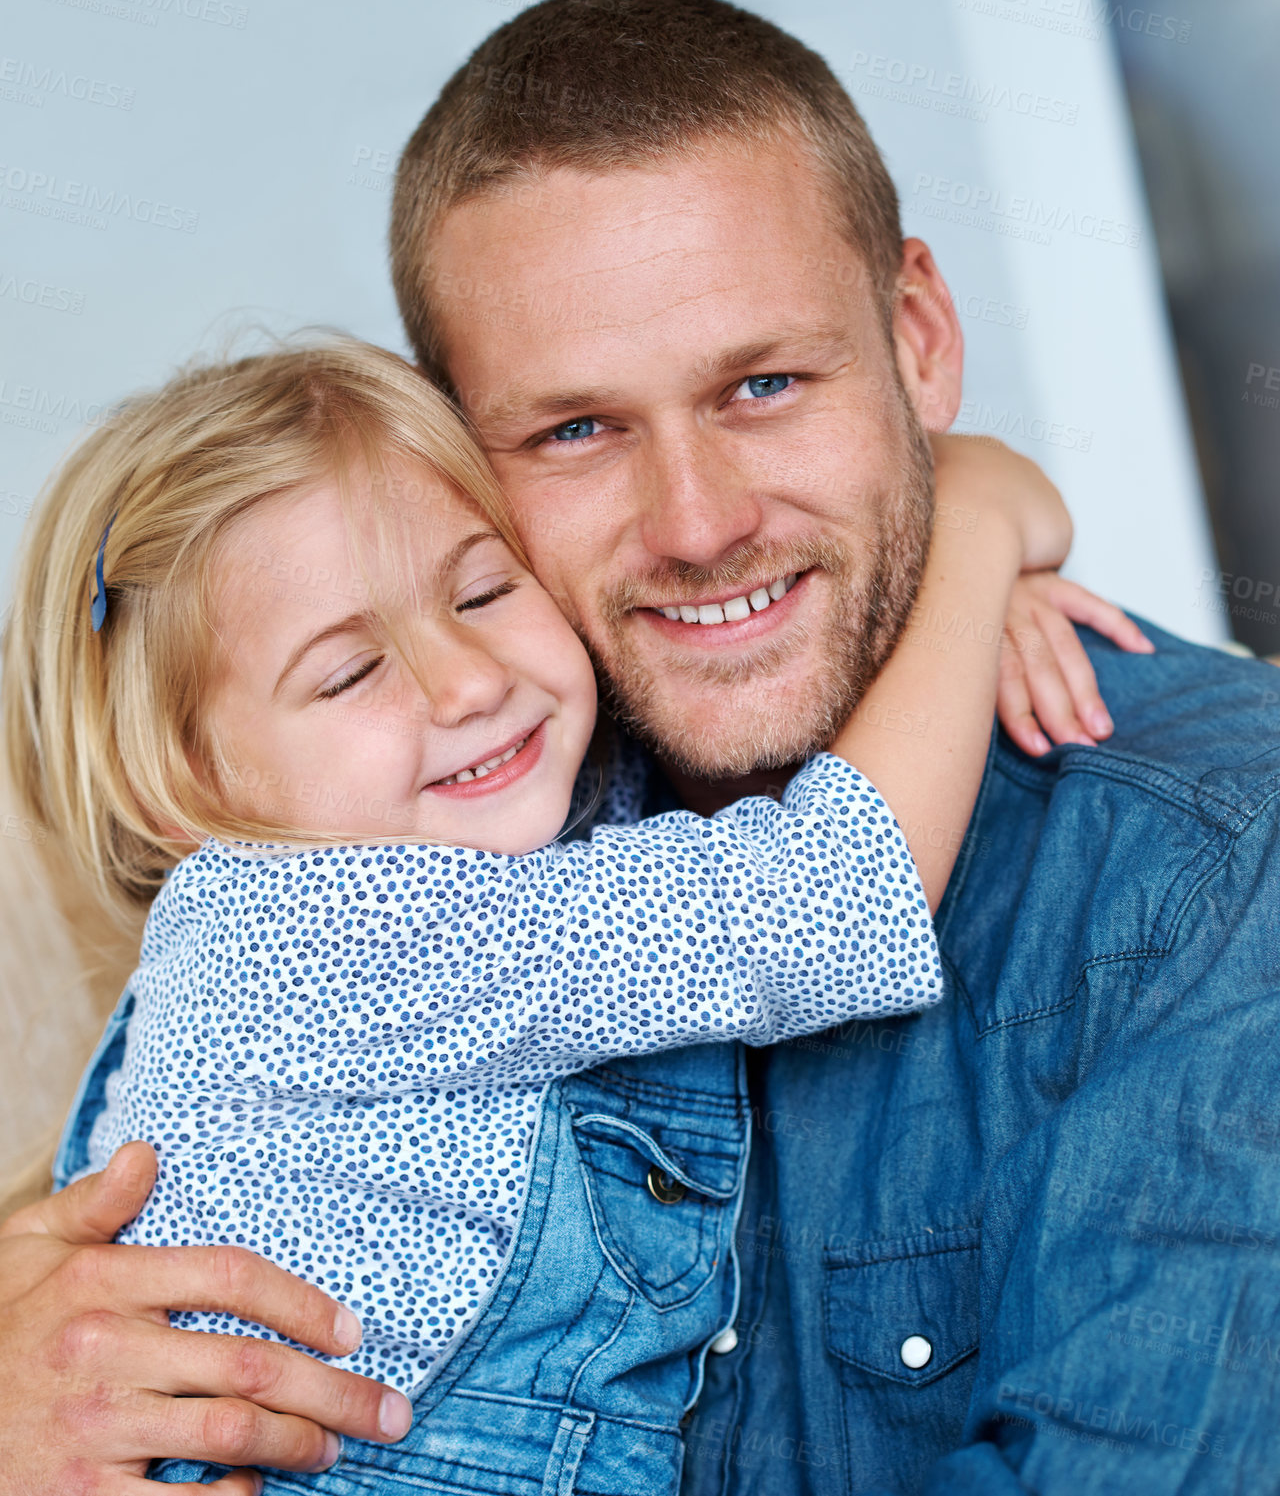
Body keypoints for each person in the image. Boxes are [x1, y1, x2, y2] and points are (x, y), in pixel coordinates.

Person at [2, 0, 1279, 1495]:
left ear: (919, 340)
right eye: (576, 430)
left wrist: (958, 558)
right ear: (466, 456)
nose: (699, 527)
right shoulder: (439, 826)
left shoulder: (1206, 858)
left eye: (764, 384)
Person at [2, 333, 1122, 1492]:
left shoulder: (463, 839)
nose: (468, 679)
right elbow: (827, 900)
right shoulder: (304, 932)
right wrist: (972, 523)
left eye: (484, 591)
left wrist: (943, 619)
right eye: (347, 674)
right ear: (182, 789)